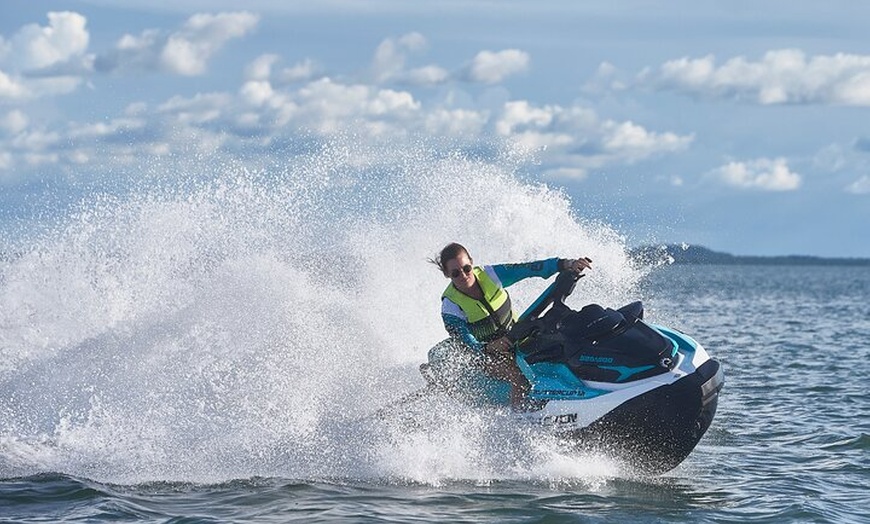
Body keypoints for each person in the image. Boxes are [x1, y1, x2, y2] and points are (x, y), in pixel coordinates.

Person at [431, 242, 592, 408]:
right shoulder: (450, 305)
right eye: (456, 273)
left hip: (516, 337)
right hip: (482, 355)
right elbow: (464, 341)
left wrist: (567, 264)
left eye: (466, 269)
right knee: (518, 375)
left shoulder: (491, 275)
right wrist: (489, 348)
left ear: (471, 262)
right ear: (447, 275)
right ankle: (518, 421)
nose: (464, 276)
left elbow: (530, 268)